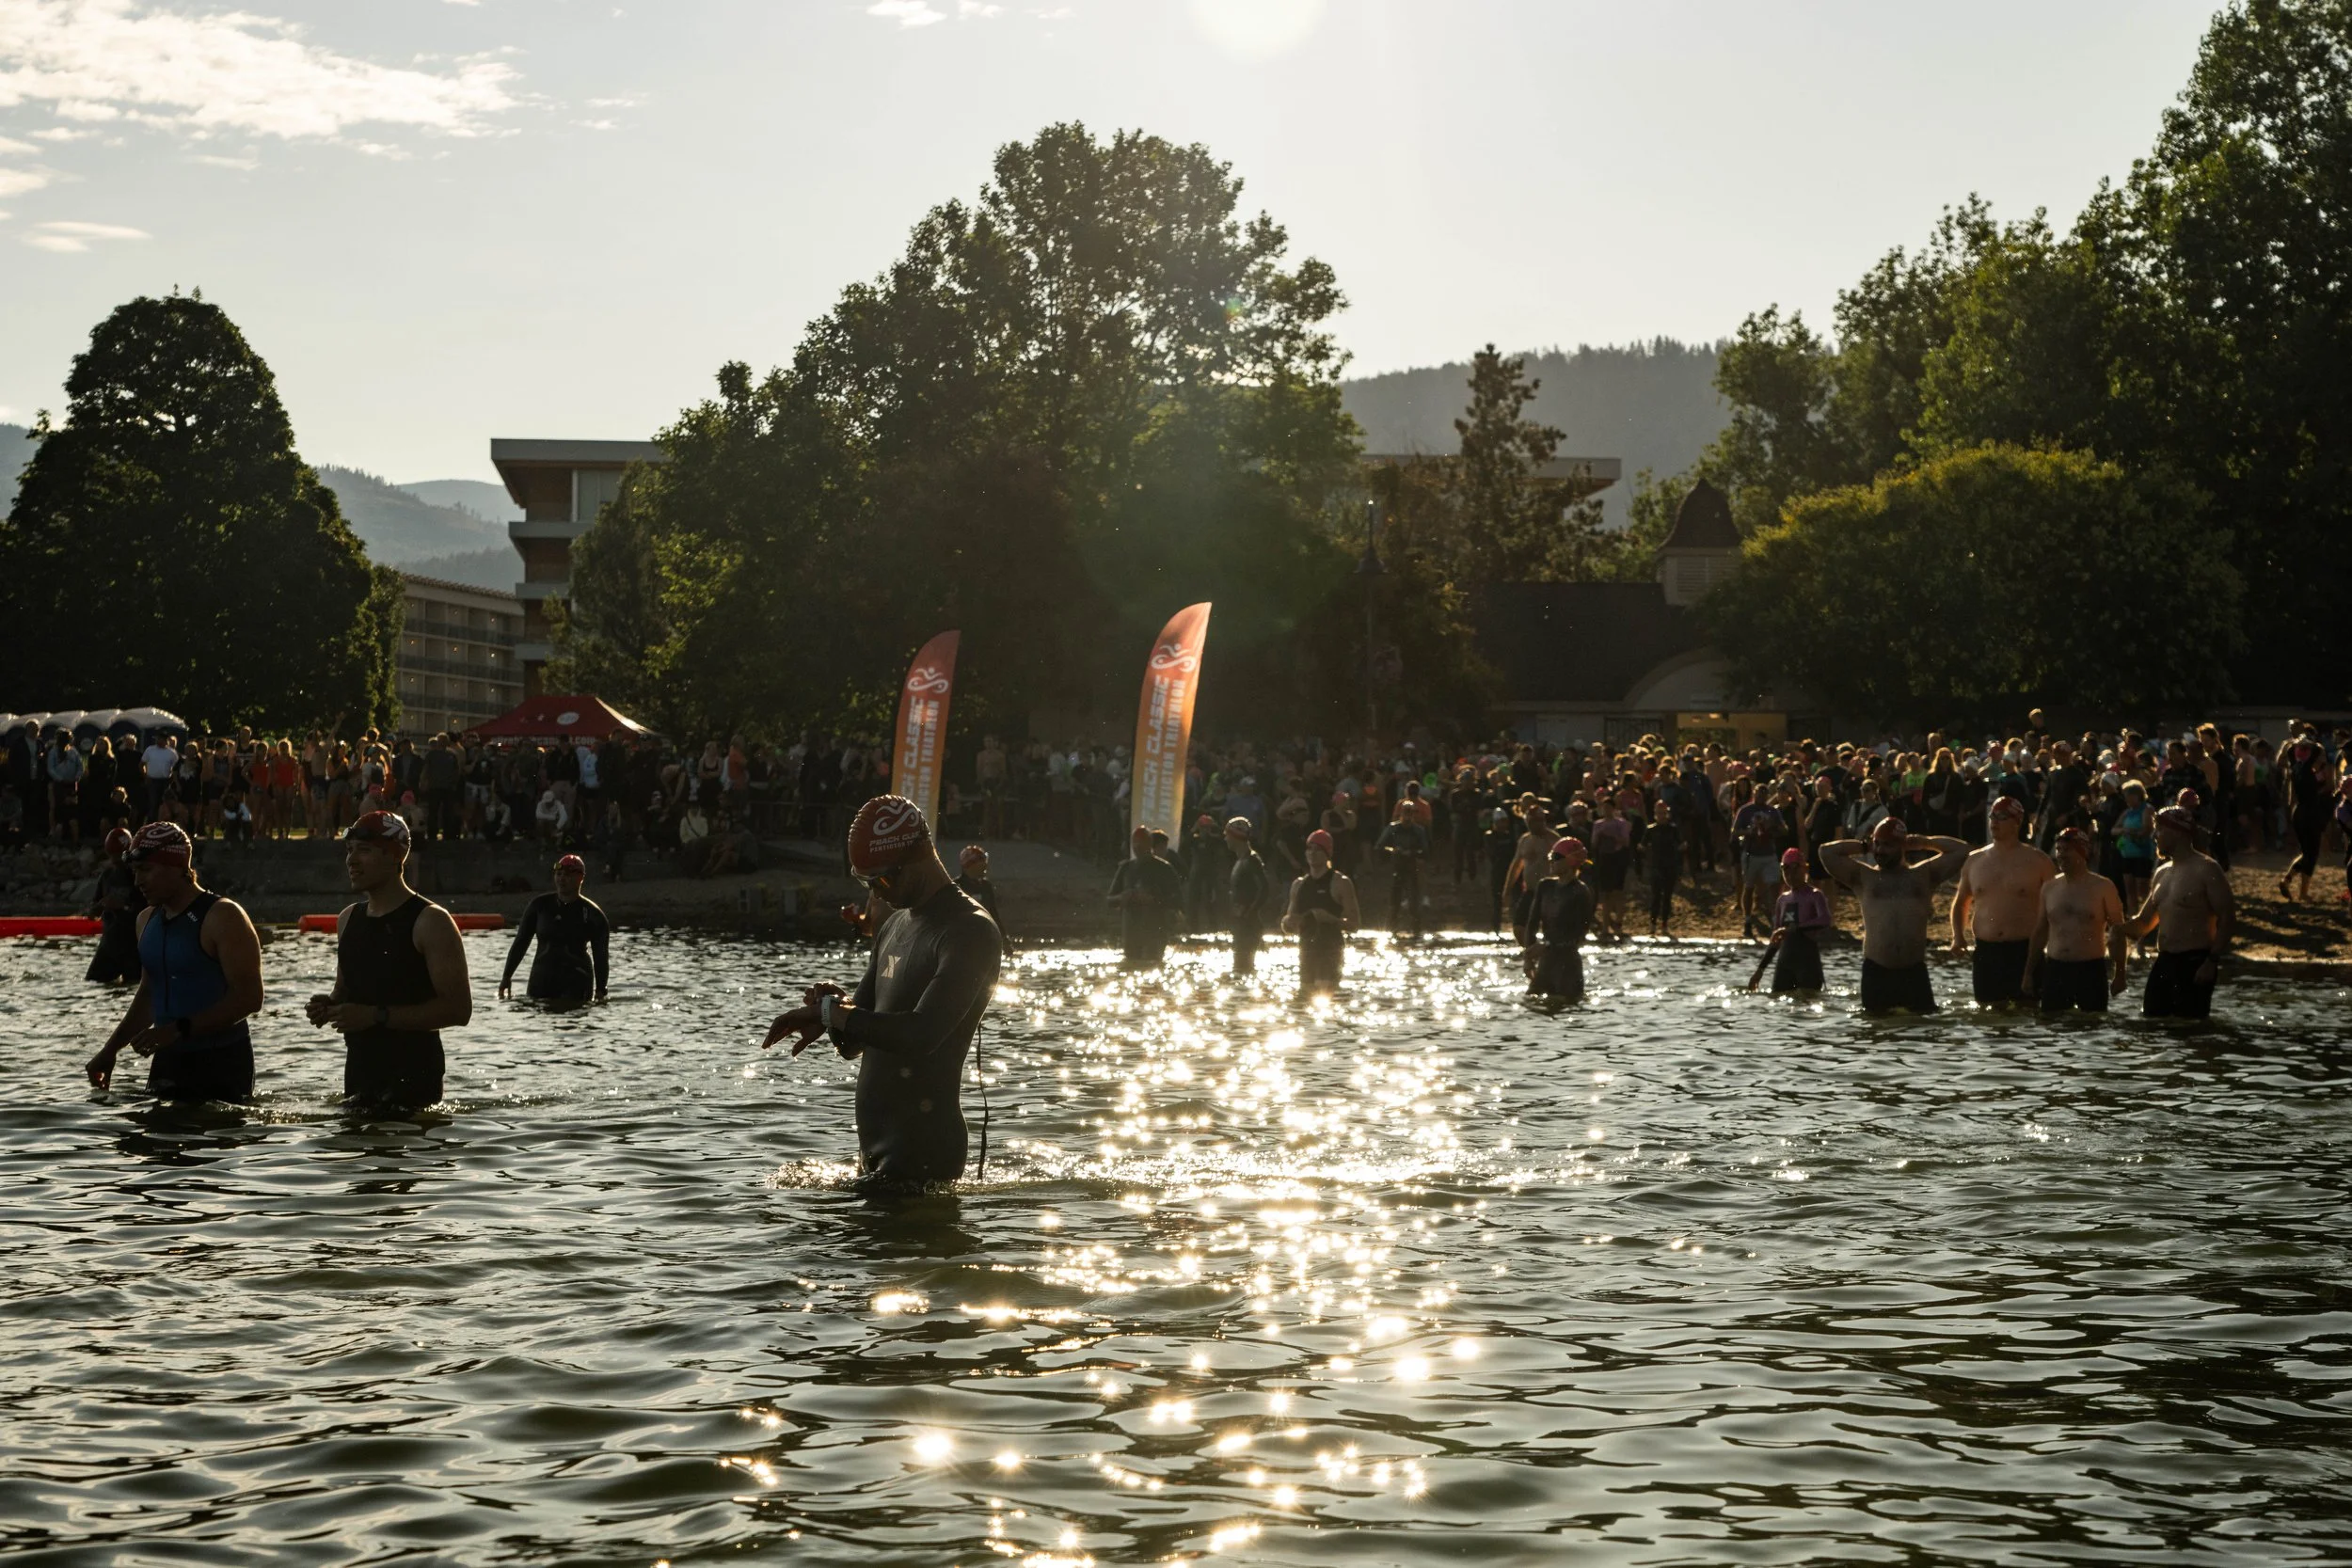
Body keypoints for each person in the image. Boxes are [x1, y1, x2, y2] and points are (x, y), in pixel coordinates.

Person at [760, 795, 1001, 1196]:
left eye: (883, 880)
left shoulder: (969, 930)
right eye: (866, 883)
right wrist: (831, 1009)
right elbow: (854, 1041)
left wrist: (833, 1014)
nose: (877, 893)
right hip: (876, 1153)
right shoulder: (893, 926)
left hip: (924, 1154)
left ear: (921, 856)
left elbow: (921, 1035)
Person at [305, 810, 472, 1112]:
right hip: (359, 1074)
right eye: (350, 850)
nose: (351, 860)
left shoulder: (431, 921)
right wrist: (328, 1006)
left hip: (413, 1081)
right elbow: (345, 991)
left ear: (395, 856)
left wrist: (374, 1016)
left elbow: (458, 1010)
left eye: (364, 851)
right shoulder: (347, 920)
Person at [84, 823, 263, 1101]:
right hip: (169, 1058)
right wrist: (110, 1051)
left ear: (176, 867)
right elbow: (149, 995)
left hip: (221, 1062)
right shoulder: (146, 920)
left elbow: (250, 998)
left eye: (146, 870)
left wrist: (177, 1030)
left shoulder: (223, 916)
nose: (137, 882)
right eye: (135, 871)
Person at [1820, 817, 1969, 1013]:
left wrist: (1925, 842)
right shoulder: (1864, 877)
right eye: (1877, 844)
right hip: (1876, 971)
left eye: (1887, 845)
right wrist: (1865, 846)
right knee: (1876, 1034)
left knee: (1924, 1032)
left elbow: (1962, 850)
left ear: (1903, 846)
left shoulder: (1924, 875)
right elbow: (1826, 852)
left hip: (1913, 972)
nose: (1880, 851)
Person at [2124, 805, 2234, 1020]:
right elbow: (2144, 922)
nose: (2155, 836)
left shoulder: (2207, 869)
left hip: (2195, 962)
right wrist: (2114, 927)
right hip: (2164, 961)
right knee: (2151, 1023)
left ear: (2177, 832)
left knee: (2189, 1031)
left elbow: (2228, 918)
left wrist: (2211, 962)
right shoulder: (2162, 872)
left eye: (2160, 830)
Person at [1947, 795, 2055, 1005]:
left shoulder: (2038, 861)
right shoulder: (1975, 860)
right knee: (1987, 1017)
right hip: (1986, 952)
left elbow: (2054, 907)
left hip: (2025, 952)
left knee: (2028, 1014)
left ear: (2017, 822)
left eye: (2002, 817)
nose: (1994, 821)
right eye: (1992, 816)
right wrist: (1958, 936)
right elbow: (1961, 902)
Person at [2024, 827, 2128, 1013]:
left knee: (2092, 1028)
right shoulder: (2049, 888)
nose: (2061, 855)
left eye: (2067, 850)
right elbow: (2040, 932)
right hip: (2055, 969)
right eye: (2059, 850)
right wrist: (2028, 973)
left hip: (2091, 970)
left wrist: (2120, 974)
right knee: (2051, 1027)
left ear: (2082, 852)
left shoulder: (2103, 887)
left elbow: (2118, 933)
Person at [499, 853, 612, 1003]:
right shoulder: (539, 906)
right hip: (542, 978)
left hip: (577, 979)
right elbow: (521, 942)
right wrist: (507, 976)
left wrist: (601, 989)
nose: (562, 879)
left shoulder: (593, 915)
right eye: (559, 874)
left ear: (580, 878)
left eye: (568, 875)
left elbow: (601, 956)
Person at [1282, 827, 1359, 998]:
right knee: (1305, 1000)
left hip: (1330, 950)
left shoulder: (1341, 883)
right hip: (1306, 950)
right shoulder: (1299, 885)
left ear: (1327, 854)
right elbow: (1289, 925)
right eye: (1309, 849)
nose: (1312, 853)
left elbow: (1354, 925)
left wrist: (1330, 919)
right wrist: (1287, 923)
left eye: (1317, 850)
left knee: (1325, 999)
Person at [1517, 837, 1596, 1001]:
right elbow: (1532, 924)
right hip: (1546, 963)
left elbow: (1578, 935)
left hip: (1568, 966)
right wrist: (1528, 958)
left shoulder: (1581, 893)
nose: (1551, 861)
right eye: (1551, 856)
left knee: (1567, 1007)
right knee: (1531, 1005)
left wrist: (1547, 946)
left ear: (1571, 860)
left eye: (1556, 857)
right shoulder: (1545, 886)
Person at [1751, 847, 1832, 996]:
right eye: (1785, 869)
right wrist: (1760, 970)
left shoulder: (1815, 895)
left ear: (1805, 869)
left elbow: (1825, 920)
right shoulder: (1783, 900)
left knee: (1809, 1001)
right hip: (1785, 962)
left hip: (1807, 961)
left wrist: (1795, 929)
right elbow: (1776, 939)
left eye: (1795, 868)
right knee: (1777, 1001)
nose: (1790, 874)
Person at [1108, 824, 1182, 969]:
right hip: (1131, 932)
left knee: (1152, 967)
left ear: (1149, 845)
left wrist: (1153, 900)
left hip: (1155, 932)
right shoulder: (1126, 869)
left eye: (1140, 845)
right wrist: (1123, 897)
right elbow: (1109, 900)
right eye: (1135, 845)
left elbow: (1178, 900)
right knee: (1131, 967)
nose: (1137, 848)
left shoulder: (1164, 869)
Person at [86, 826, 144, 985]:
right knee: (93, 983)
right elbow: (93, 909)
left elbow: (147, 910)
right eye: (113, 856)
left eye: (119, 856)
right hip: (110, 944)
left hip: (133, 946)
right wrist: (95, 909)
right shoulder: (107, 876)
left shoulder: (138, 876)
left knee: (133, 985)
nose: (116, 860)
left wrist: (123, 906)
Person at [1375, 798, 1429, 938]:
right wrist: (1393, 850)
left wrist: (1412, 852)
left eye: (1410, 813)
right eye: (1406, 812)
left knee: (1414, 903)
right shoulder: (1393, 828)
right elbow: (1379, 847)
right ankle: (1392, 931)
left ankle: (1416, 932)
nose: (1408, 815)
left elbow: (1425, 851)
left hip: (1413, 869)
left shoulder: (1419, 831)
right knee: (1394, 903)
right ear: (1401, 813)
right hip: (1397, 868)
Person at [1226, 816, 1272, 976]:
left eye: (1227, 835)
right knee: (1240, 967)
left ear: (1235, 837)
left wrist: (1248, 912)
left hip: (1249, 924)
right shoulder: (1241, 860)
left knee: (1244, 967)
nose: (1225, 838)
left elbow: (1264, 889)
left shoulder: (1252, 860)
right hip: (1242, 923)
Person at [1645, 800, 1681, 937]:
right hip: (1655, 867)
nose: (1661, 816)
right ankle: (1653, 925)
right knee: (1656, 898)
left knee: (1667, 897)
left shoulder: (1673, 829)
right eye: (1659, 813)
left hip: (1670, 867)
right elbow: (1642, 845)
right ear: (1655, 814)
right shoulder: (1651, 829)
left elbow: (1680, 845)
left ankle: (1664, 924)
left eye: (1664, 813)